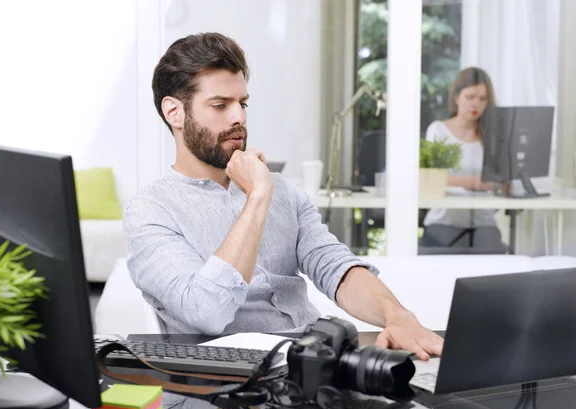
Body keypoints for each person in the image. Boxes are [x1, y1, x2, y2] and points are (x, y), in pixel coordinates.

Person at [123, 32, 442, 360]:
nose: (240, 118)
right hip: (233, 387)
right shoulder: (150, 211)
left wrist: (398, 317)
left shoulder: (283, 190)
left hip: (315, 362)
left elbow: (332, 265)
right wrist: (257, 199)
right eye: (220, 104)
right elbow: (206, 311)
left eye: (242, 103)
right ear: (174, 112)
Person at [421, 67, 507, 252]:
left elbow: (501, 181)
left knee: (492, 258)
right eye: (470, 97)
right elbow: (430, 180)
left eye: (482, 99)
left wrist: (498, 181)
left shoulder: (492, 136)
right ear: (457, 97)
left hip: (484, 221)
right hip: (444, 219)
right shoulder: (438, 131)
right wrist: (473, 182)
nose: (475, 104)